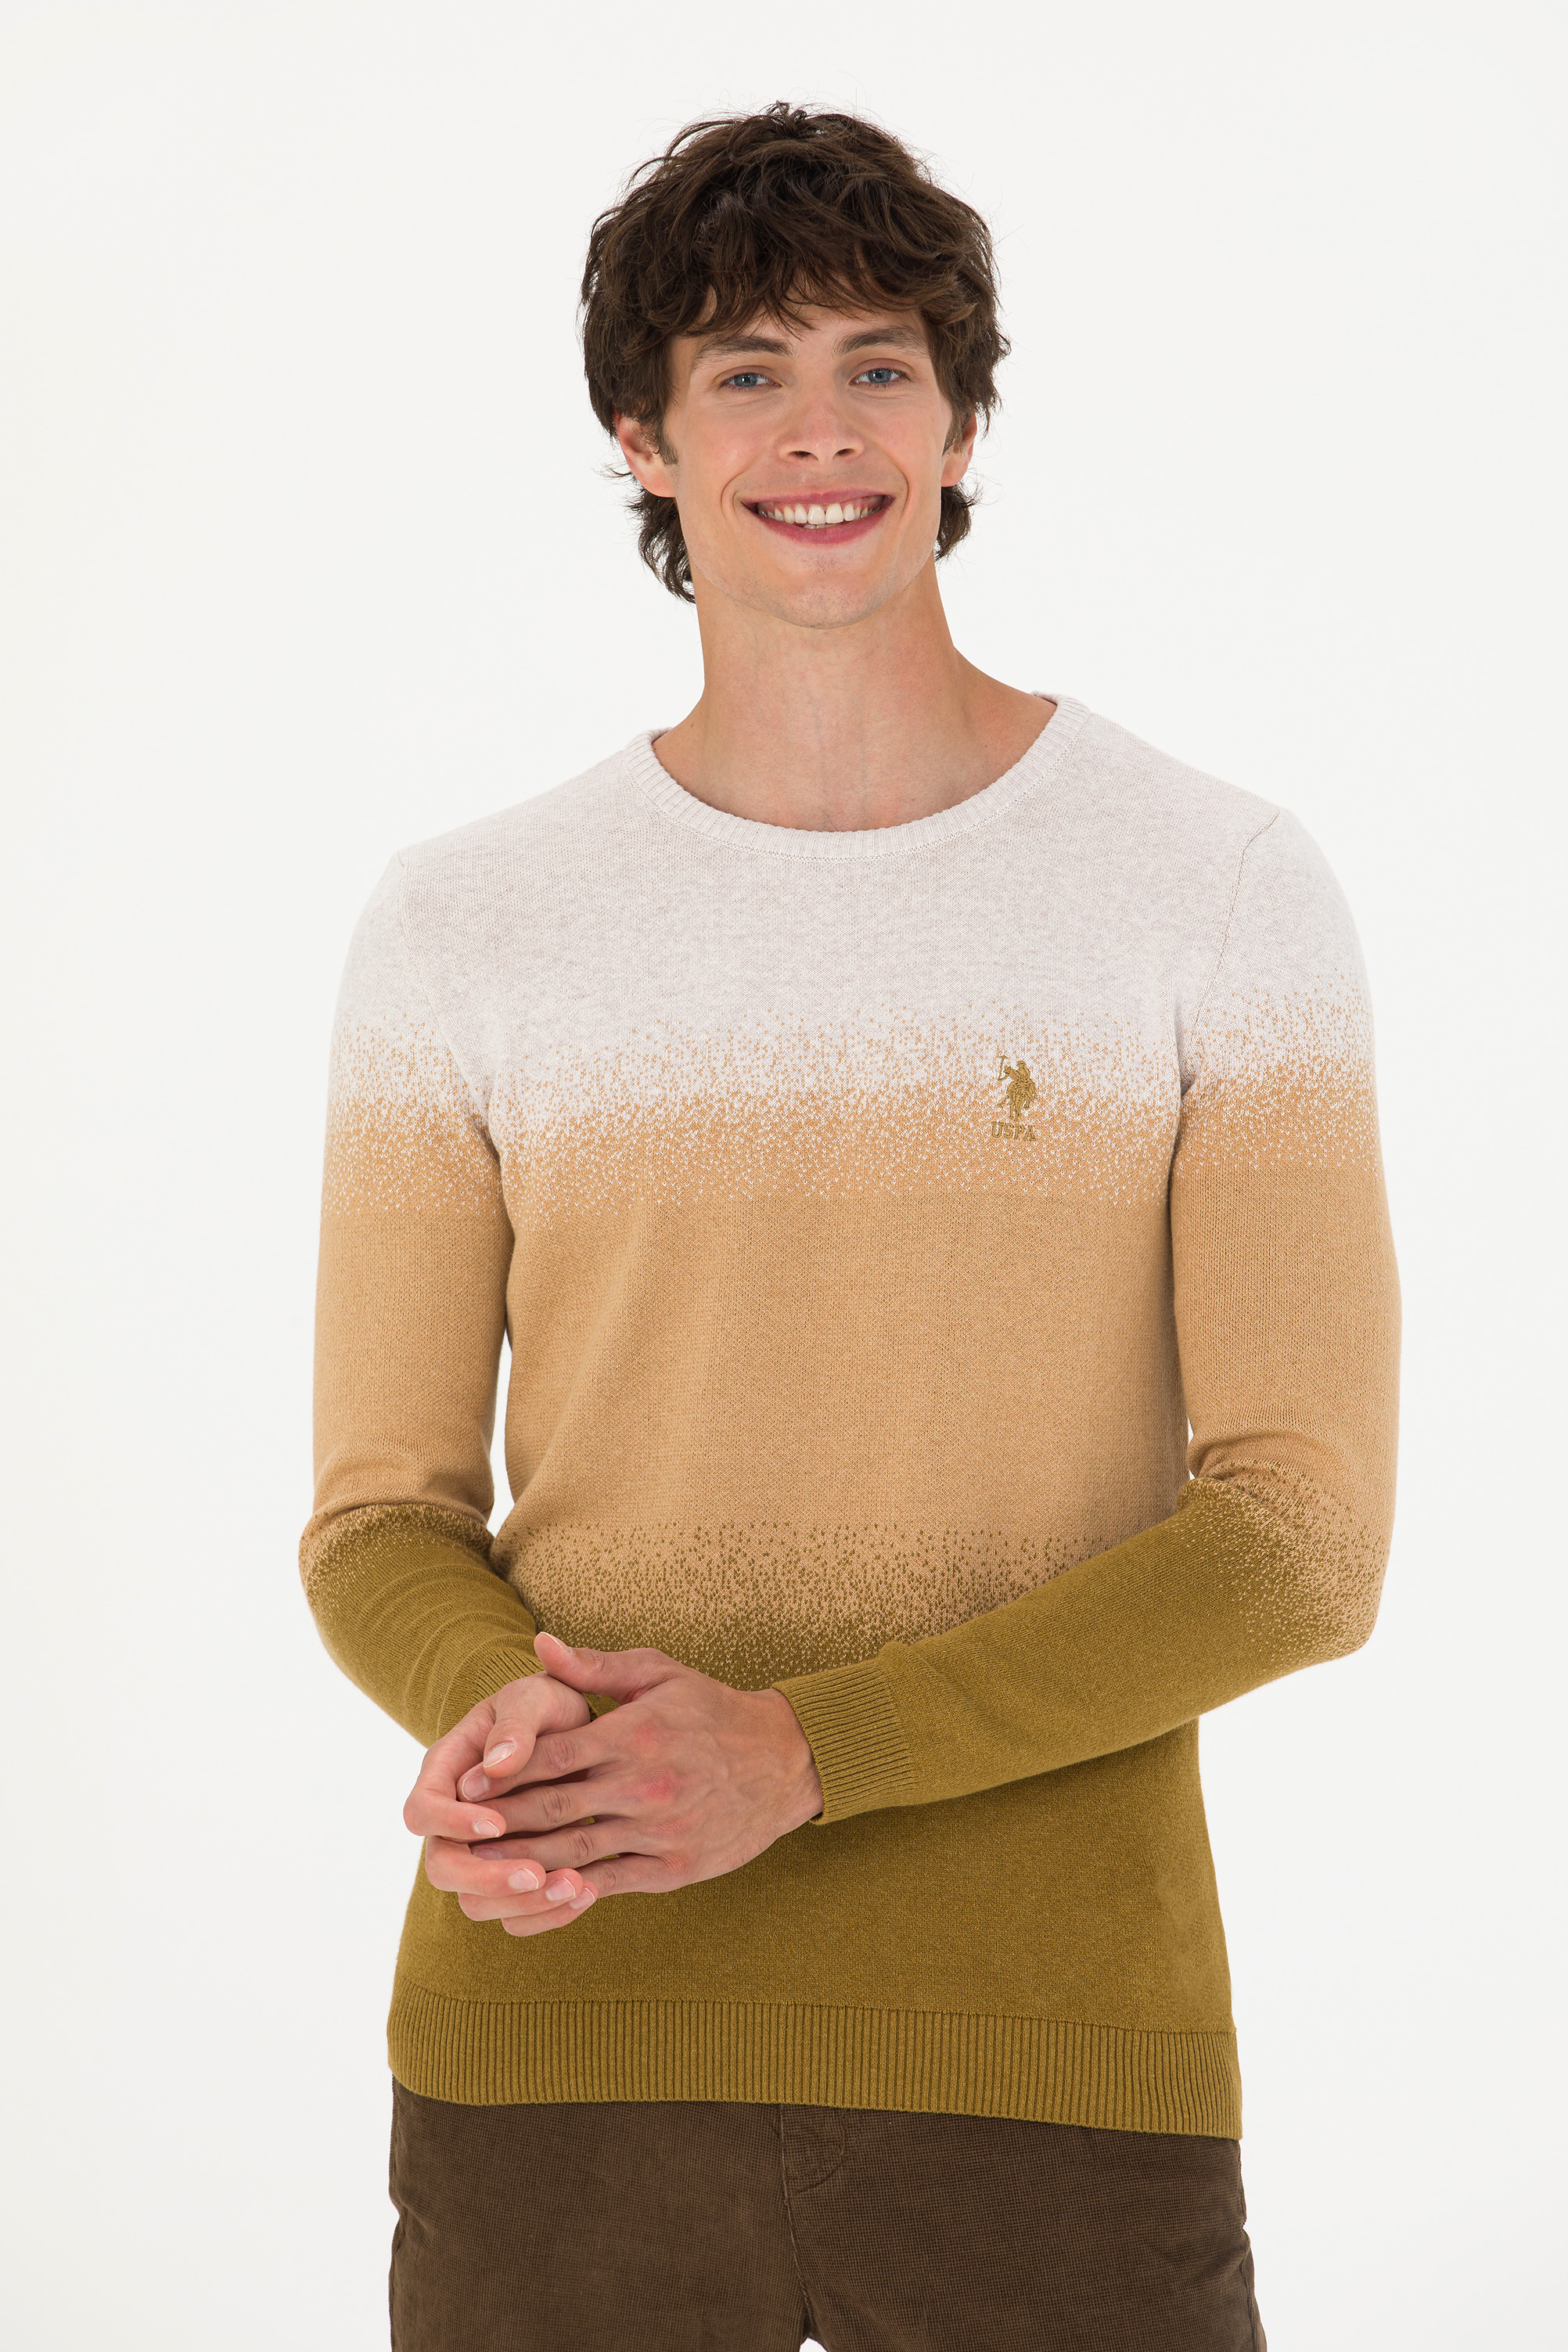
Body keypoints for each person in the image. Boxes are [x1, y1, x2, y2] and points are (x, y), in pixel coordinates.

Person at [302, 102, 1400, 2352]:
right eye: (746, 370)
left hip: (1055, 2060)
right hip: (561, 2050)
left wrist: (802, 1756)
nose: (821, 431)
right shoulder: (467, 922)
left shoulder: (1210, 886)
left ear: (961, 423)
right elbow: (377, 1520)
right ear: (643, 440)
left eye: (878, 365)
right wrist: (534, 1738)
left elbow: (1302, 1538)